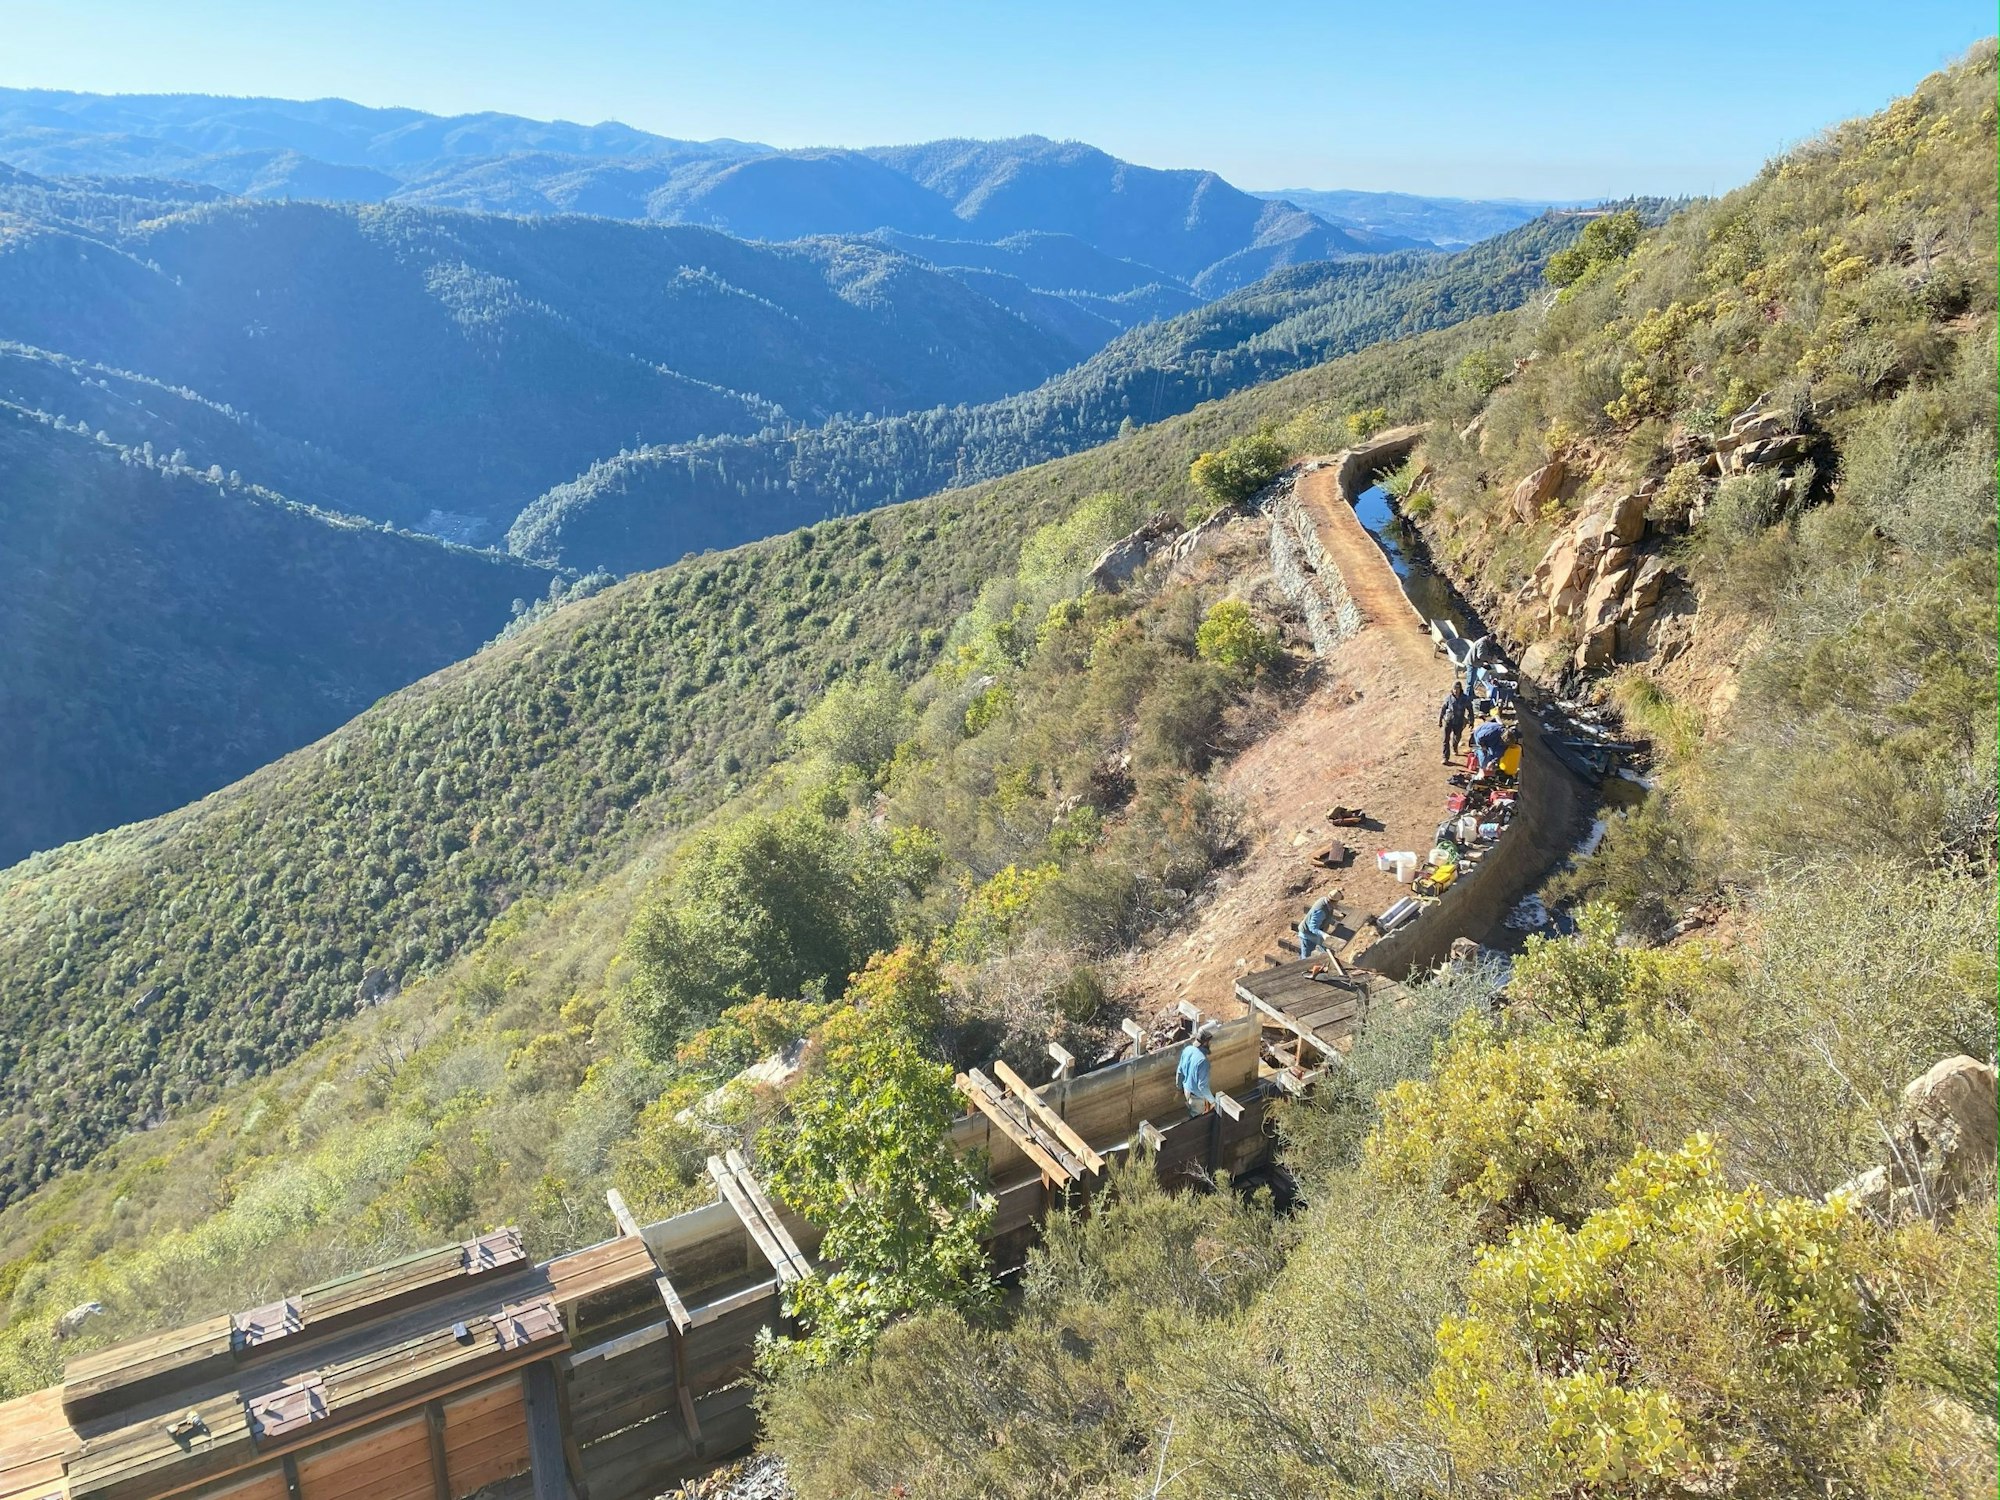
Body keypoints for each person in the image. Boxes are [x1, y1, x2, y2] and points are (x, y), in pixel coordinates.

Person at [1177, 1026, 1214, 1117]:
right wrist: (1213, 1101)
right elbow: (1202, 1086)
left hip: (1187, 1091)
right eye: (1209, 1042)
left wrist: (1179, 1088)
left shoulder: (1187, 1050)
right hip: (1196, 1098)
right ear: (1205, 1042)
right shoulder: (1203, 1061)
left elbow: (1180, 1071)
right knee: (1197, 1123)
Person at [1439, 681, 1470, 763]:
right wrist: (1440, 720)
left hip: (1459, 721)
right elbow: (1443, 709)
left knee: (1457, 737)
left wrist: (1471, 720)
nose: (1456, 690)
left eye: (1457, 688)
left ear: (1460, 689)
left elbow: (1470, 709)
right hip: (1448, 720)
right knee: (1445, 739)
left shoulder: (1465, 698)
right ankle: (1445, 757)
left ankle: (1455, 746)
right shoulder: (1448, 698)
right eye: (1454, 689)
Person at [1298, 895, 1337, 959]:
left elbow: (1327, 916)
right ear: (1334, 902)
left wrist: (1334, 922)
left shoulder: (1325, 901)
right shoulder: (1320, 911)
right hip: (1307, 935)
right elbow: (1313, 928)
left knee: (1325, 951)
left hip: (1316, 934)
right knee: (1305, 959)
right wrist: (1323, 934)